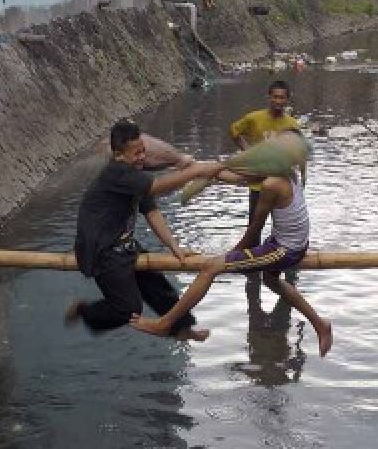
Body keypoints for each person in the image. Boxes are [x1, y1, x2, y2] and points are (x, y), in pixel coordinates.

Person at [130, 138, 332, 356]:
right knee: (271, 280)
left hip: (286, 250)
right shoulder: (287, 172)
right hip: (289, 242)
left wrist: (230, 256)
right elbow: (236, 177)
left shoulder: (272, 185)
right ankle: (320, 324)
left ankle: (165, 322)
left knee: (211, 268)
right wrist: (207, 171)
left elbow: (255, 227)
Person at [65, 119, 224, 341]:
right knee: (128, 310)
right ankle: (85, 312)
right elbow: (157, 187)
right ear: (119, 155)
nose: (141, 157)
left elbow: (151, 212)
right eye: (136, 153)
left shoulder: (135, 173)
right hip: (102, 249)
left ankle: (181, 328)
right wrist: (196, 171)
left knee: (159, 287)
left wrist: (174, 246)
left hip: (123, 245)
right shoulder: (116, 172)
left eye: (143, 151)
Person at [230, 81, 305, 234]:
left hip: (281, 182)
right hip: (258, 182)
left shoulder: (291, 123)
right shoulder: (254, 118)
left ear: (287, 100)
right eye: (275, 97)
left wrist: (303, 176)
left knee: (283, 225)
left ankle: (276, 251)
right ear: (269, 97)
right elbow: (234, 131)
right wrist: (247, 151)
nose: (278, 101)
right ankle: (250, 253)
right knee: (254, 225)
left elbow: (299, 149)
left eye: (282, 98)